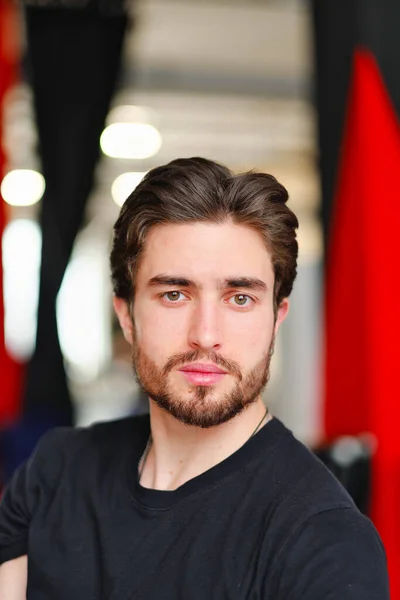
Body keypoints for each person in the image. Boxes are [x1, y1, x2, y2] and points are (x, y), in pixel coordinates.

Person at [0, 158, 389, 598]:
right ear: (127, 316)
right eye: (174, 294)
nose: (206, 335)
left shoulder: (325, 543)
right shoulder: (56, 472)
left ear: (276, 318)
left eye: (239, 298)